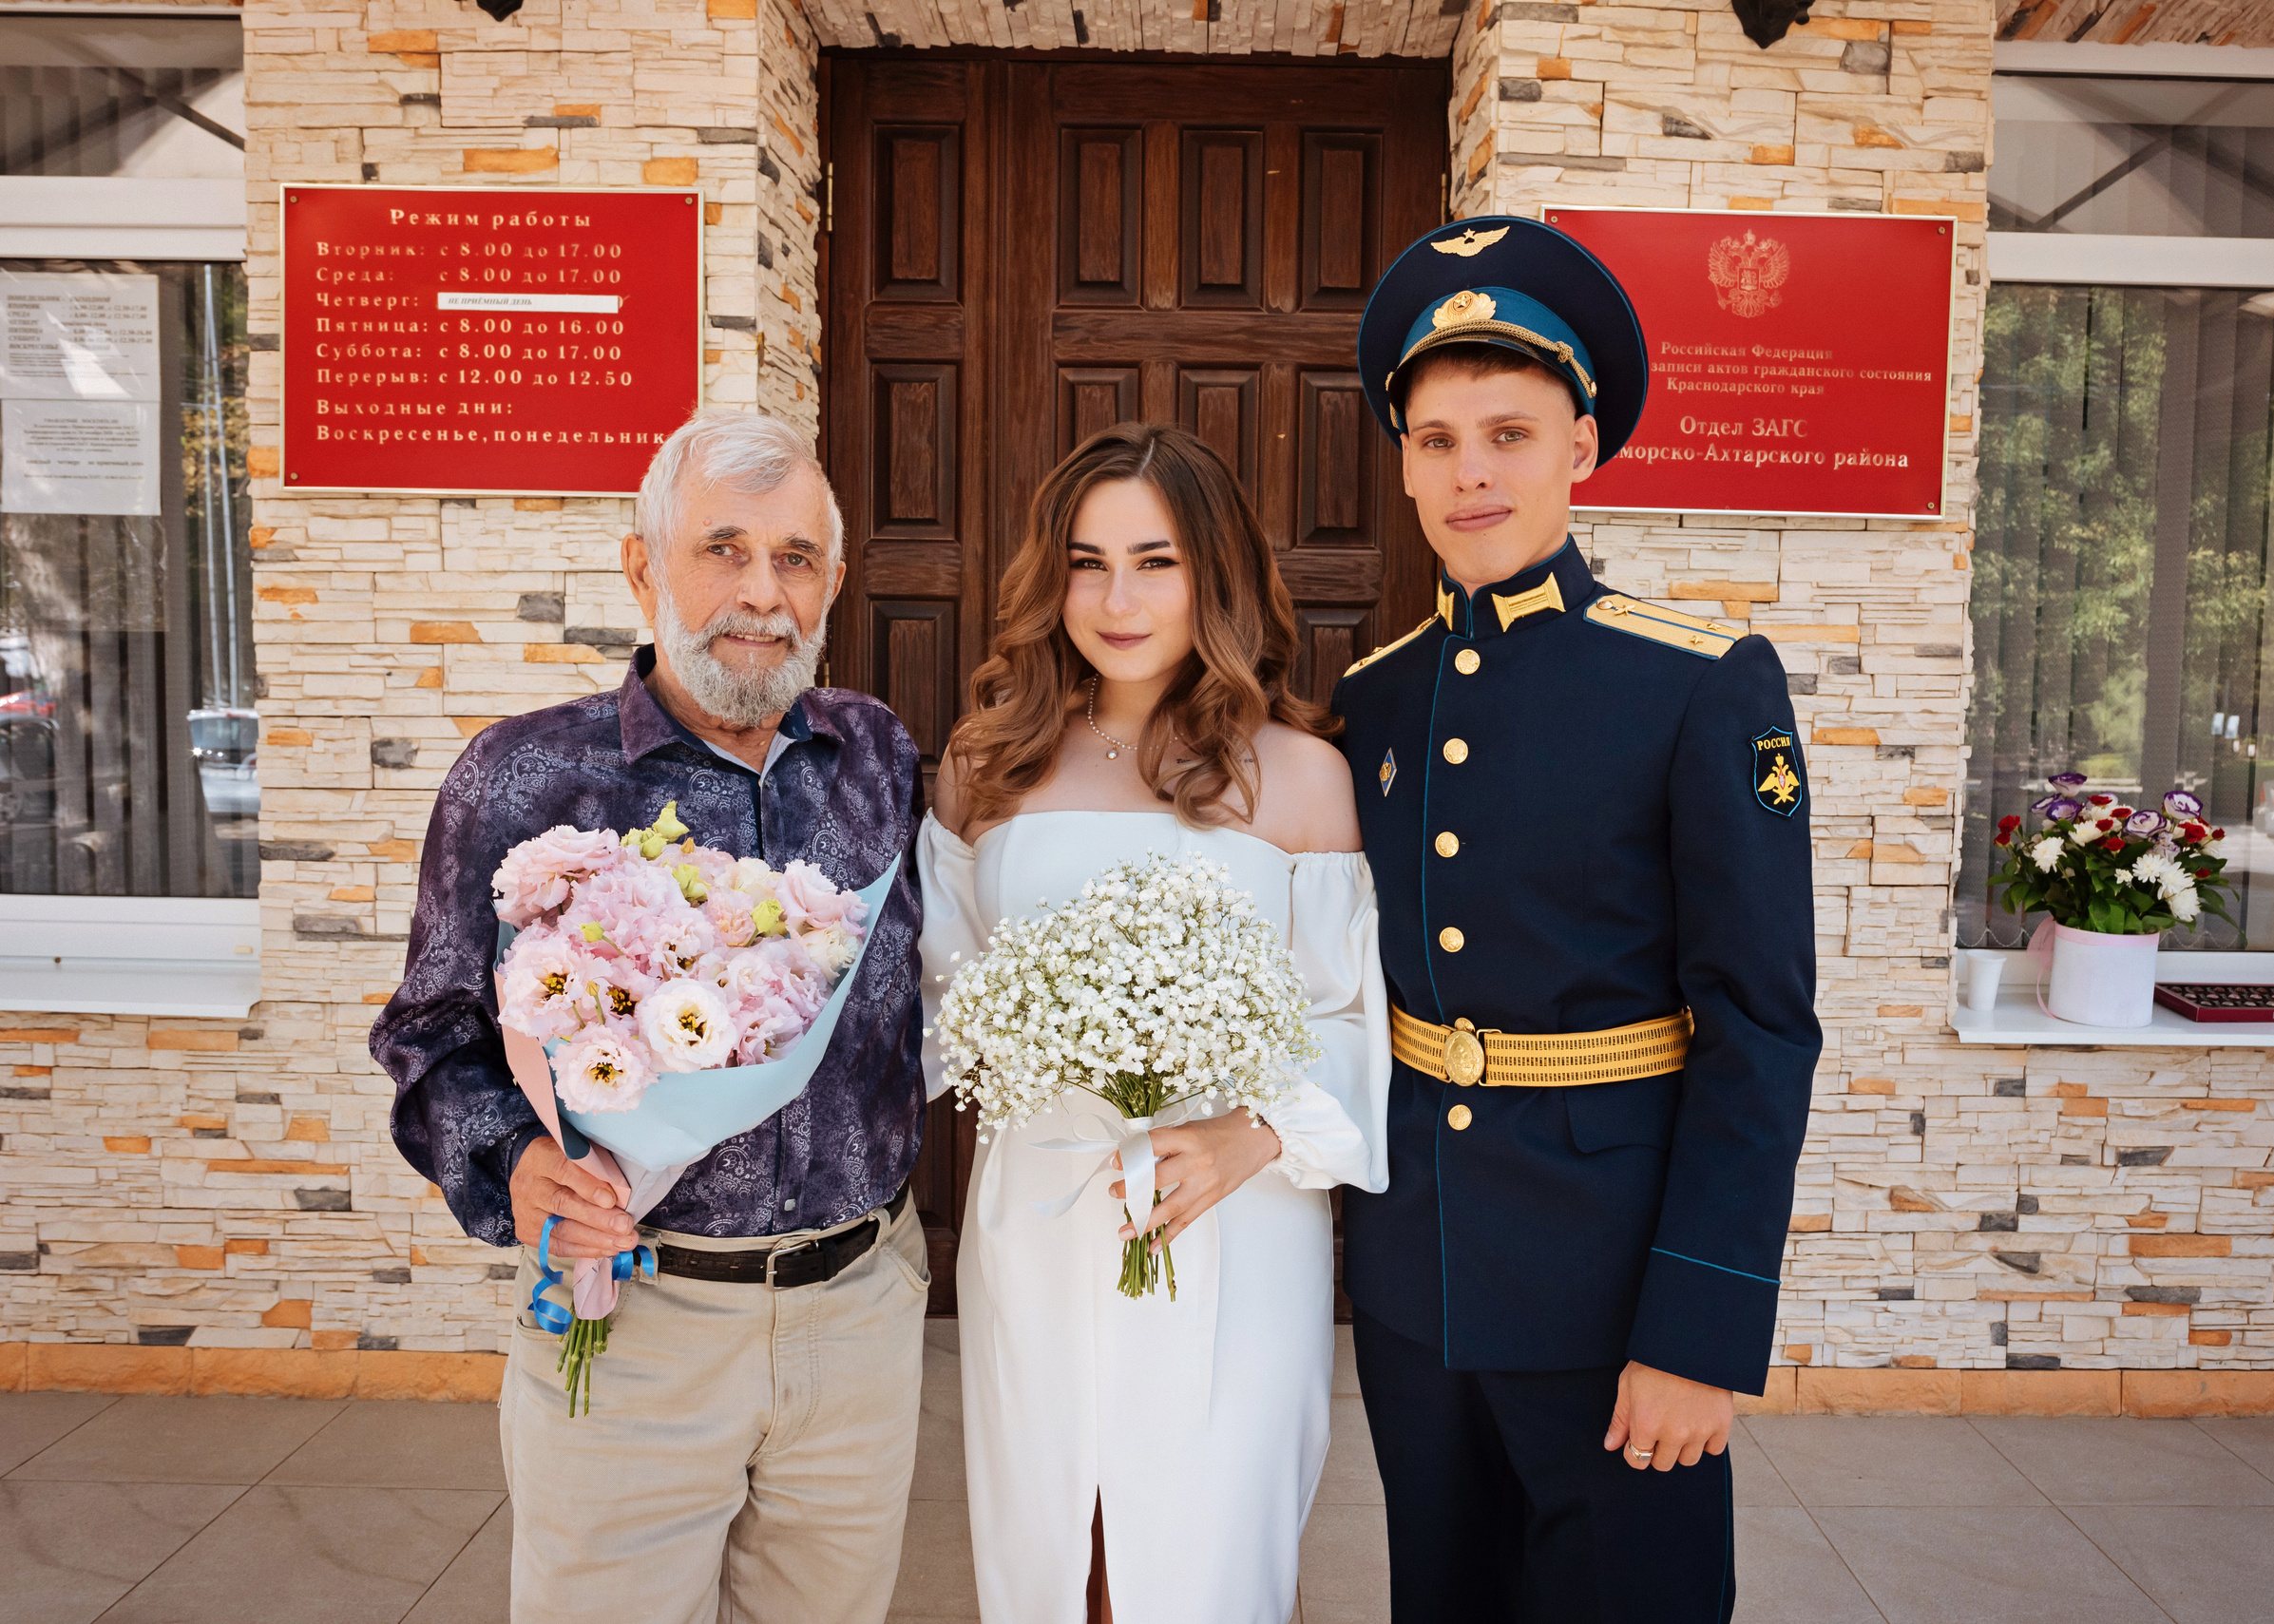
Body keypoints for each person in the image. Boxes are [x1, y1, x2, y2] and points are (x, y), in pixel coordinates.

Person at [1331, 216, 1823, 1621]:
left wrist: (1701, 1324)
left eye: (1509, 433)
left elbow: (1760, 1027)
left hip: (1618, 1295)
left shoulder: (1697, 680)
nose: (1470, 470)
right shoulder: (1376, 697)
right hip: (1420, 1286)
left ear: (1583, 449)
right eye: (1435, 439)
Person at [371, 411, 931, 1624]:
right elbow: (430, 1034)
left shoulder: (877, 756)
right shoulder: (523, 777)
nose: (760, 593)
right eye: (721, 548)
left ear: (832, 581)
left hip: (860, 1316)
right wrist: (516, 1159)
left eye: (794, 558)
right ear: (642, 567)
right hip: (634, 1318)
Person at [918, 421, 1390, 1624]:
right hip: (1041, 1207)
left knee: (1208, 1544)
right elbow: (938, 1000)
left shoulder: (1296, 773)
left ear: (1216, 571)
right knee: (1051, 1539)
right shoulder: (987, 767)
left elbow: (1344, 1013)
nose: (1115, 598)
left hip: (1235, 1216)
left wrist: (1253, 1135)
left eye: (1156, 560)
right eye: (1086, 561)